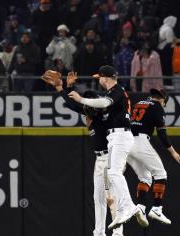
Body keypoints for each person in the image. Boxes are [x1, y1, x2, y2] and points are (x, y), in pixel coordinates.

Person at [41, 70, 124, 236]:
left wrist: (63, 88)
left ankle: (117, 233)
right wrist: (65, 87)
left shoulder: (101, 113)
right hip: (100, 159)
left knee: (111, 197)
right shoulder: (92, 114)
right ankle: (99, 232)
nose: (87, 105)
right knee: (98, 198)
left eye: (90, 101)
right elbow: (75, 105)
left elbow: (75, 105)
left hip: (110, 158)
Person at [68, 65, 147, 230]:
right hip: (115, 138)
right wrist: (67, 89)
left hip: (120, 135)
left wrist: (81, 98)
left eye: (100, 77)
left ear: (106, 77)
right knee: (110, 181)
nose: (99, 80)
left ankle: (129, 207)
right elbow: (88, 106)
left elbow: (103, 102)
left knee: (113, 175)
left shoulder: (116, 91)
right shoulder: (112, 94)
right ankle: (129, 209)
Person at [127, 88, 180, 225]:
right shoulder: (157, 106)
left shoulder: (138, 103)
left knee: (145, 177)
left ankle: (140, 207)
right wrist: (173, 152)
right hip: (140, 141)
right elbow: (161, 133)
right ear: (163, 99)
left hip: (126, 142)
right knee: (161, 174)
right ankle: (157, 208)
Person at [157, 16, 177, 85]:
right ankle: (168, 83)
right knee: (167, 69)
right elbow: (170, 42)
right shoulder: (169, 29)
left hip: (160, 50)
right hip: (166, 52)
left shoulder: (162, 27)